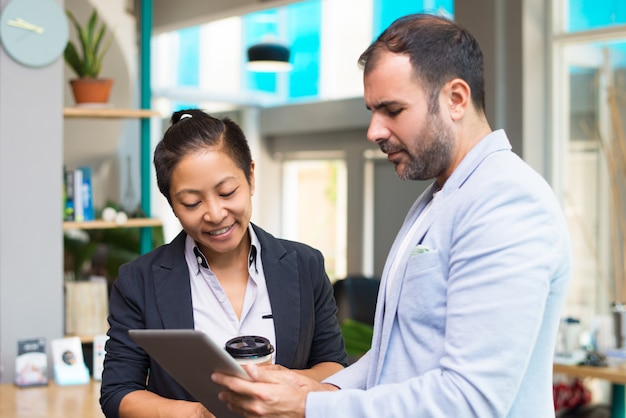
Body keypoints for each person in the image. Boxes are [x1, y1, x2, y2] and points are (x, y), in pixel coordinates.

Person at [212, 13, 572, 418]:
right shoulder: (439, 197)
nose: (374, 131)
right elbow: (397, 354)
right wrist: (319, 385)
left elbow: (470, 401)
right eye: (372, 110)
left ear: (456, 99)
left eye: (392, 110)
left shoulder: (506, 201)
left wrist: (309, 406)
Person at [99, 109, 348, 418]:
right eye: (192, 202)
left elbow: (335, 366)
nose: (215, 214)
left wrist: (285, 386)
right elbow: (118, 393)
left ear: (251, 176)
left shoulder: (304, 265)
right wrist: (201, 413)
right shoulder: (139, 280)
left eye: (227, 192)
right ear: (171, 203)